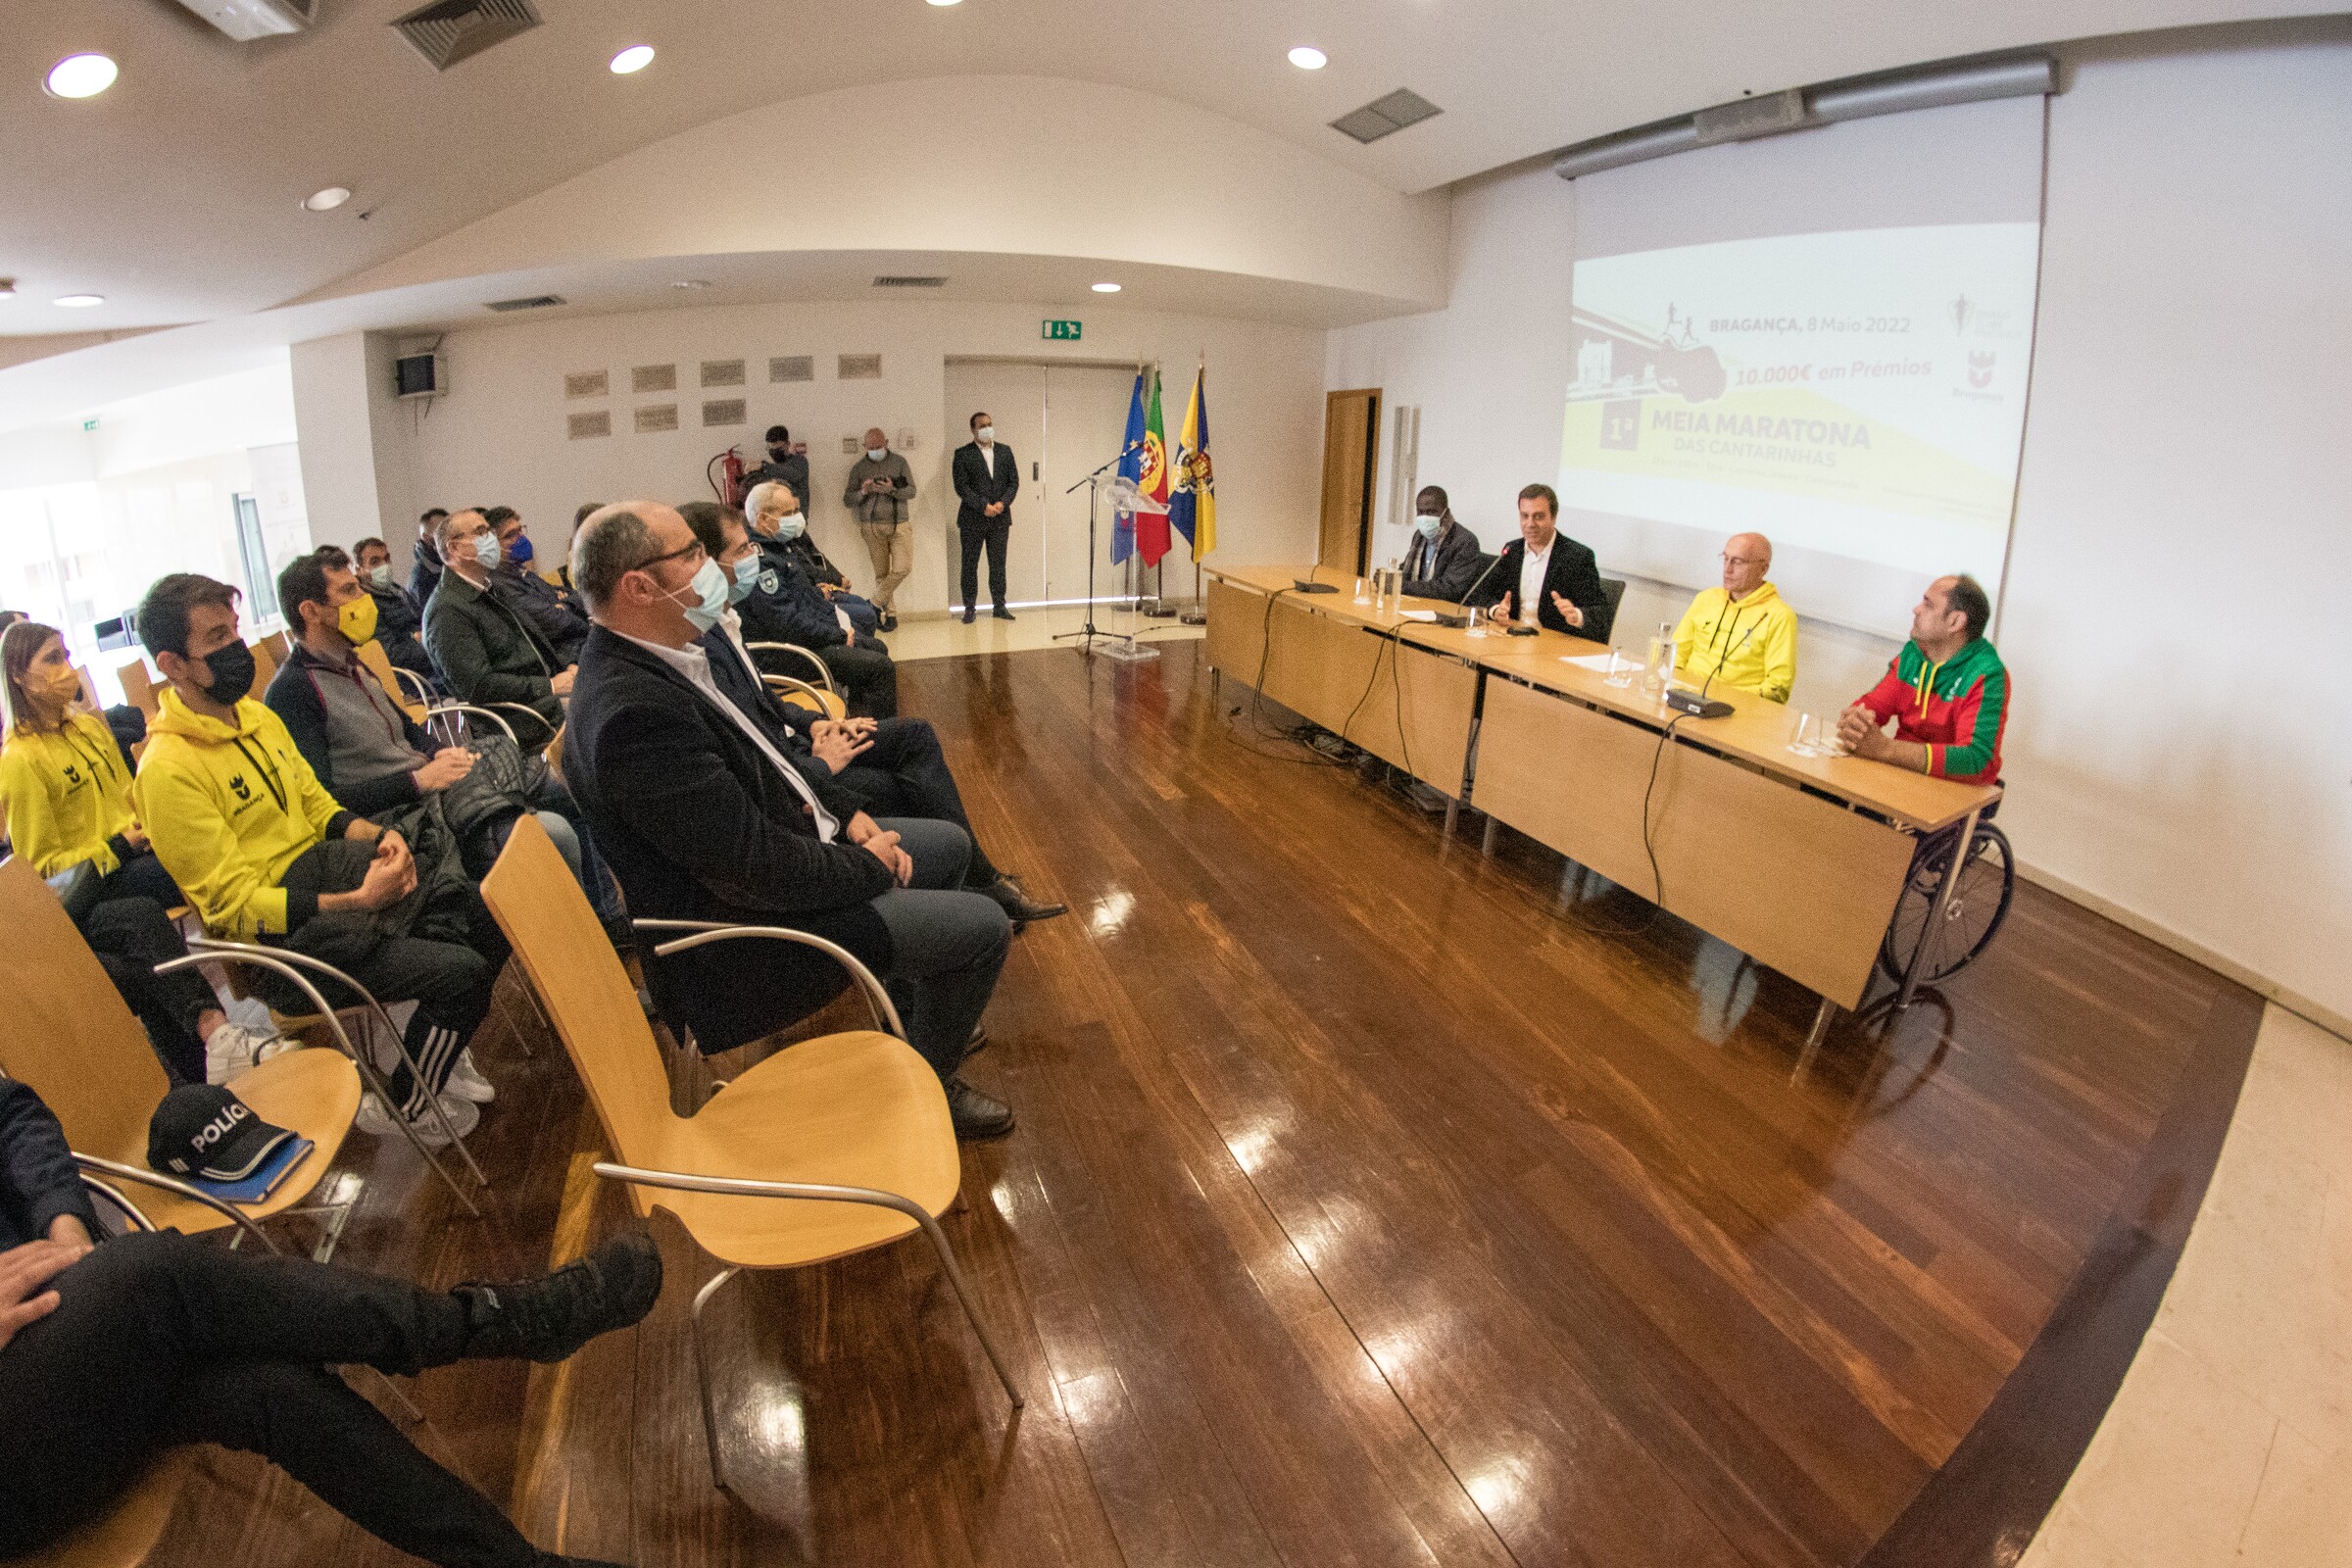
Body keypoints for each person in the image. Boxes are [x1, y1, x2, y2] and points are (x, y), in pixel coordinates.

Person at [0, 1075, 658, 1568]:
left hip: (57, 1329)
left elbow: (13, 1111)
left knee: (270, 1390)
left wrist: (61, 1216)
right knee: (153, 1275)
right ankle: (498, 1321)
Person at [563, 502, 1017, 1139]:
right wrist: (867, 863)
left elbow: (772, 761)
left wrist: (849, 815)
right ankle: (928, 1091)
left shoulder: (665, 653)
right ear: (638, 586)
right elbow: (755, 872)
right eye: (692, 553)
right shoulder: (634, 714)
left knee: (946, 848)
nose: (712, 564)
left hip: (775, 866)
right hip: (737, 943)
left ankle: (910, 1036)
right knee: (982, 926)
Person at [131, 573, 501, 1141]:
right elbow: (233, 909)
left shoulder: (256, 717)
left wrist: (375, 836)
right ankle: (406, 1101)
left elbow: (317, 805)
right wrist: (353, 899)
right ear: (172, 664)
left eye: (233, 629)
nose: (235, 648)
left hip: (341, 884)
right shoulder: (167, 770)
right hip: (287, 944)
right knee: (463, 971)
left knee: (484, 915)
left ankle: (429, 1060)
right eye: (215, 639)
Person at [686, 502, 1066, 926]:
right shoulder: (696, 644)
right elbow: (755, 756)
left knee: (914, 735)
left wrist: (818, 722)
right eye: (741, 550)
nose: (752, 556)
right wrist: (820, 762)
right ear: (703, 564)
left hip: (800, 743)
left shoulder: (720, 622)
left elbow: (763, 699)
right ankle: (973, 890)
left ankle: (976, 883)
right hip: (797, 753)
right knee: (905, 782)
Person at [266, 553, 624, 933]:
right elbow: (325, 800)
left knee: (569, 791)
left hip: (433, 786)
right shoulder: (293, 691)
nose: (363, 597)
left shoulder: (351, 662)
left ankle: (605, 921)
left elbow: (408, 729)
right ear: (311, 611)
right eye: (349, 590)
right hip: (400, 816)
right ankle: (571, 951)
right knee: (554, 833)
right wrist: (418, 781)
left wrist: (440, 752)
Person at [1, 619, 287, 1085]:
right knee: (163, 895)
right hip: (84, 891)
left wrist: (151, 825)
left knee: (151, 913)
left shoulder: (88, 730)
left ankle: (210, 1058)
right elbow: (41, 874)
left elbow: (128, 796)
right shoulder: (19, 761)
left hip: (127, 864)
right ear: (17, 675)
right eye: (51, 660)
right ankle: (257, 985)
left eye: (67, 656)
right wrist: (116, 845)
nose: (67, 669)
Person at [730, 490, 899, 719]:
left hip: (804, 639)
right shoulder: (761, 561)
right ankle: (880, 737)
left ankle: (861, 720)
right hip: (788, 652)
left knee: (877, 648)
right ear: (763, 519)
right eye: (788, 513)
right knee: (880, 667)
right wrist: (838, 636)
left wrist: (839, 630)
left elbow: (809, 601)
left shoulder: (780, 548)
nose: (796, 517)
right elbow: (786, 622)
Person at [1837, 573, 2009, 786]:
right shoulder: (1914, 654)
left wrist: (1885, 748)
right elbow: (1873, 706)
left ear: (1955, 621)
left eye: (1928, 604)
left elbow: (1975, 760)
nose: (1916, 609)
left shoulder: (1986, 674)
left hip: (1949, 794)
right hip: (1900, 779)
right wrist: (1855, 720)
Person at [424, 509, 574, 747]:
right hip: (520, 718)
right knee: (603, 713)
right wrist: (550, 685)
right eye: (481, 532)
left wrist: (565, 667)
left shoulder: (487, 588)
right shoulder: (447, 610)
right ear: (454, 548)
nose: (491, 539)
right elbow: (479, 686)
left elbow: (529, 643)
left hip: (540, 699)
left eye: (490, 531)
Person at [1467, 483, 1613, 640]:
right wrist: (1496, 610)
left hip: (1552, 645)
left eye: (1538, 516)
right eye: (1525, 516)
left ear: (1554, 516)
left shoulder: (1577, 556)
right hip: (1510, 638)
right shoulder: (1512, 550)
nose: (1530, 524)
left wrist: (1576, 615)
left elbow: (1601, 613)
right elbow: (1480, 594)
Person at [1671, 532, 1797, 703]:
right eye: (1725, 558)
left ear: (1763, 569)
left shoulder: (1779, 616)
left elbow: (1778, 687)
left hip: (1737, 707)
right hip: (1685, 696)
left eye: (1738, 561)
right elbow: (1676, 653)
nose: (1727, 569)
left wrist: (1723, 697)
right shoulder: (1706, 598)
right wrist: (1677, 687)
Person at [485, 507, 591, 664]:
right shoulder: (501, 586)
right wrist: (592, 627)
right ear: (493, 546)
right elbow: (557, 622)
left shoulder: (523, 573)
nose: (520, 538)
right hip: (565, 659)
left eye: (520, 530)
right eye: (510, 535)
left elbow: (577, 596)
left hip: (578, 646)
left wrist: (562, 604)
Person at [843, 427, 916, 631]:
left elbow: (912, 491)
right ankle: (890, 615)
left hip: (899, 523)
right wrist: (864, 492)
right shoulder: (858, 468)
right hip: (871, 526)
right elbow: (848, 499)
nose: (875, 450)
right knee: (881, 573)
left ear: (887, 442)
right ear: (865, 446)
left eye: (879, 446)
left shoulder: (900, 462)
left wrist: (891, 489)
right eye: (871, 447)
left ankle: (873, 603)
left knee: (903, 567)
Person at [952, 411, 1019, 623]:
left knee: (998, 564)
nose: (987, 428)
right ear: (973, 429)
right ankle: (969, 608)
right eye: (982, 426)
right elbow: (961, 487)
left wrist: (1002, 503)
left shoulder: (1005, 451)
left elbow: (1013, 482)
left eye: (989, 424)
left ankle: (999, 606)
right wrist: (983, 506)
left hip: (1000, 518)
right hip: (973, 518)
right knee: (969, 564)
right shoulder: (963, 454)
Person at [349, 535, 440, 692]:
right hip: (411, 679)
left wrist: (424, 638)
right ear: (359, 570)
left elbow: (423, 624)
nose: (384, 565)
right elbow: (391, 655)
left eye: (386, 558)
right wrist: (431, 645)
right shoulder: (365, 606)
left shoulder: (396, 591)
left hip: (428, 664)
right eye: (375, 561)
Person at [1397, 486, 1484, 602]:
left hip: (1446, 610)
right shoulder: (1419, 536)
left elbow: (1450, 589)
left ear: (1445, 512)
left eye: (1431, 512)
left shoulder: (1465, 541)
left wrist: (1401, 586)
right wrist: (1390, 577)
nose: (1425, 517)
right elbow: (1406, 571)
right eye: (1421, 512)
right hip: (1417, 604)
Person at [743, 424, 811, 516]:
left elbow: (791, 474)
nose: (773, 451)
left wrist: (763, 466)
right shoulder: (770, 470)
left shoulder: (799, 462)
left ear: (787, 444)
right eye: (770, 448)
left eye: (777, 447)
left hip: (795, 521)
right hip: (775, 521)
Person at [409, 509, 450, 607]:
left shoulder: (448, 562)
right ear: (426, 538)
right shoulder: (421, 577)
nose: (449, 536)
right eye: (442, 531)